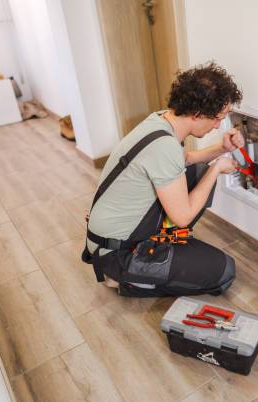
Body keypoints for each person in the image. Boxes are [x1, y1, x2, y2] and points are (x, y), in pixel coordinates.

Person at [82, 62, 244, 297]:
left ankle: (160, 249)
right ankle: (130, 278)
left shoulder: (161, 121)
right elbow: (183, 216)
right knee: (223, 272)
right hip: (115, 252)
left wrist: (221, 148)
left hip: (110, 235)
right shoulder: (164, 146)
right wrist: (216, 168)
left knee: (195, 173)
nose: (218, 125)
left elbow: (184, 159)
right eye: (217, 118)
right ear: (197, 114)